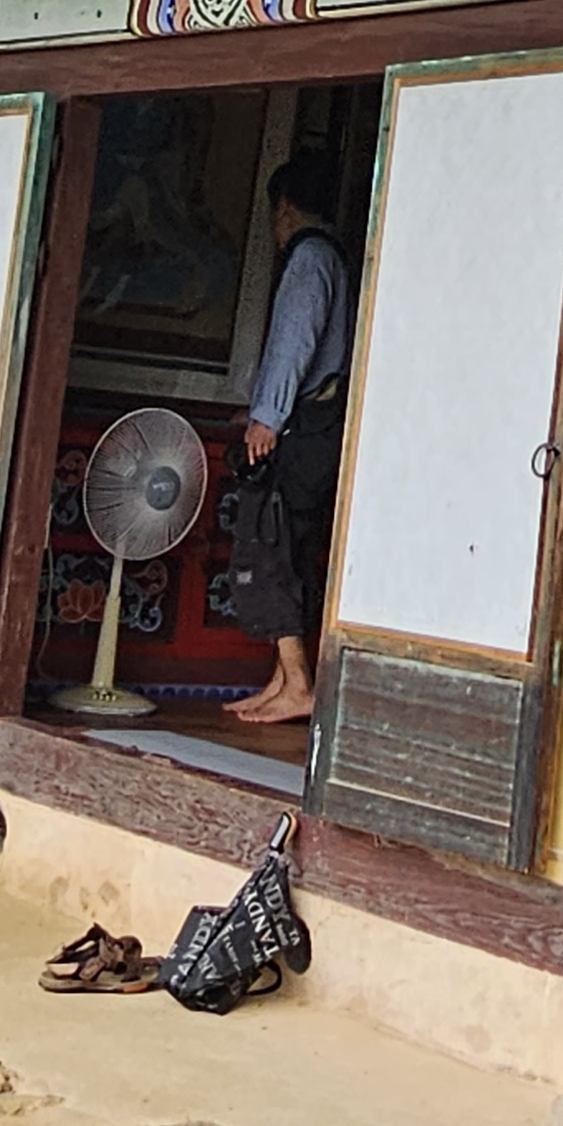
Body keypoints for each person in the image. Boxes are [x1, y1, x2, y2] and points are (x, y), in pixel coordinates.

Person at [225, 150, 352, 725]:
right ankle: (281, 681)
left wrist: (267, 417)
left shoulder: (309, 258)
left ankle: (297, 683)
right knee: (294, 546)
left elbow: (293, 345)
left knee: (270, 543)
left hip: (301, 426)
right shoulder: (337, 257)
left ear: (284, 208)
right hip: (321, 426)